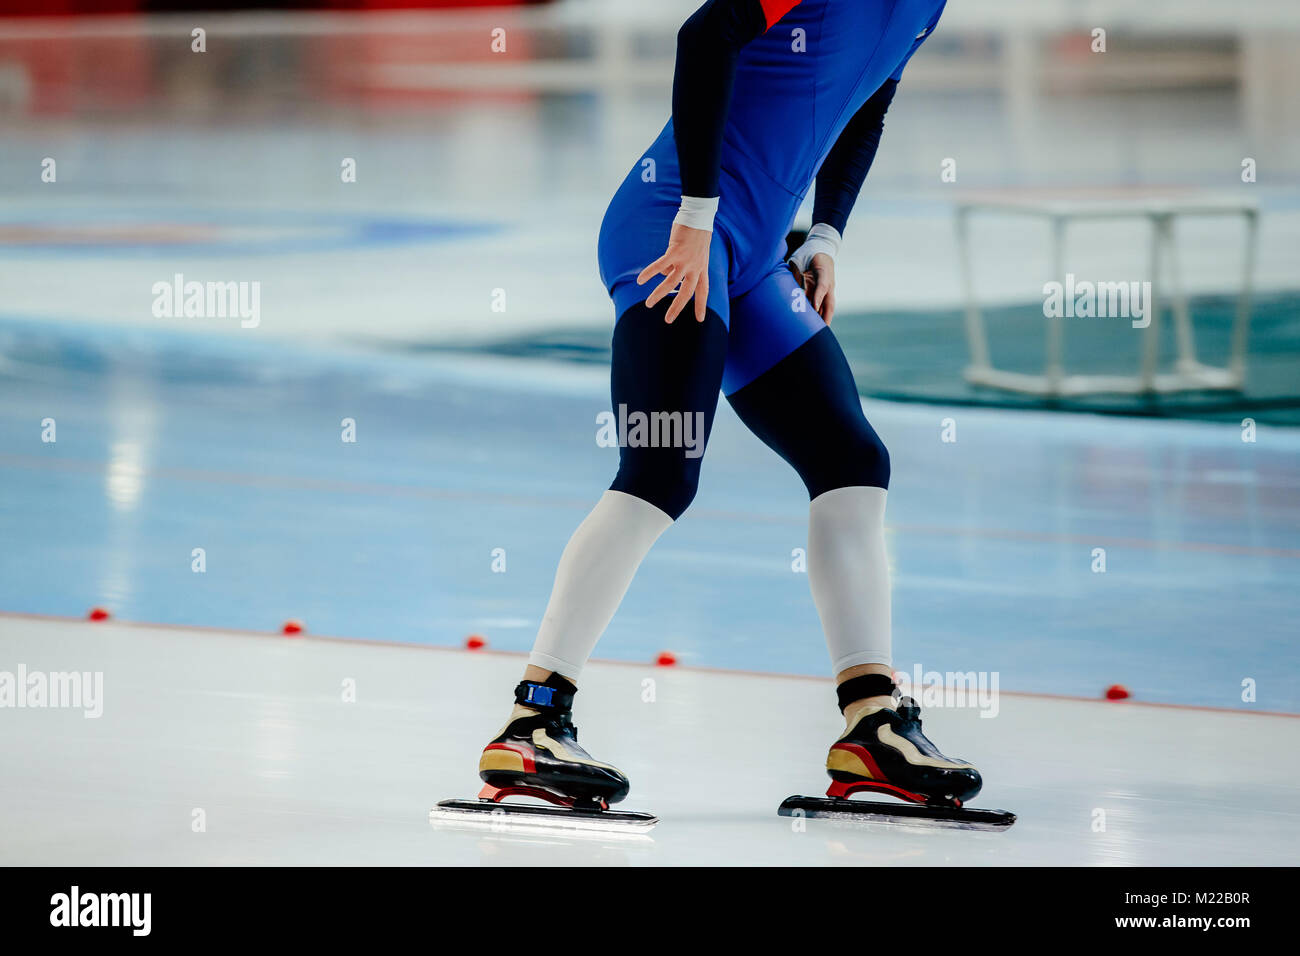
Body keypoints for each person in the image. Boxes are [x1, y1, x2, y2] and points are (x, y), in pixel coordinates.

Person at [475, 0, 981, 813]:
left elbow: (870, 98)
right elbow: (705, 35)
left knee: (850, 460)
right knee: (660, 473)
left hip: (753, 255)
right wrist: (697, 216)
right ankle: (533, 721)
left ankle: (872, 725)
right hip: (671, 228)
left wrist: (827, 234)